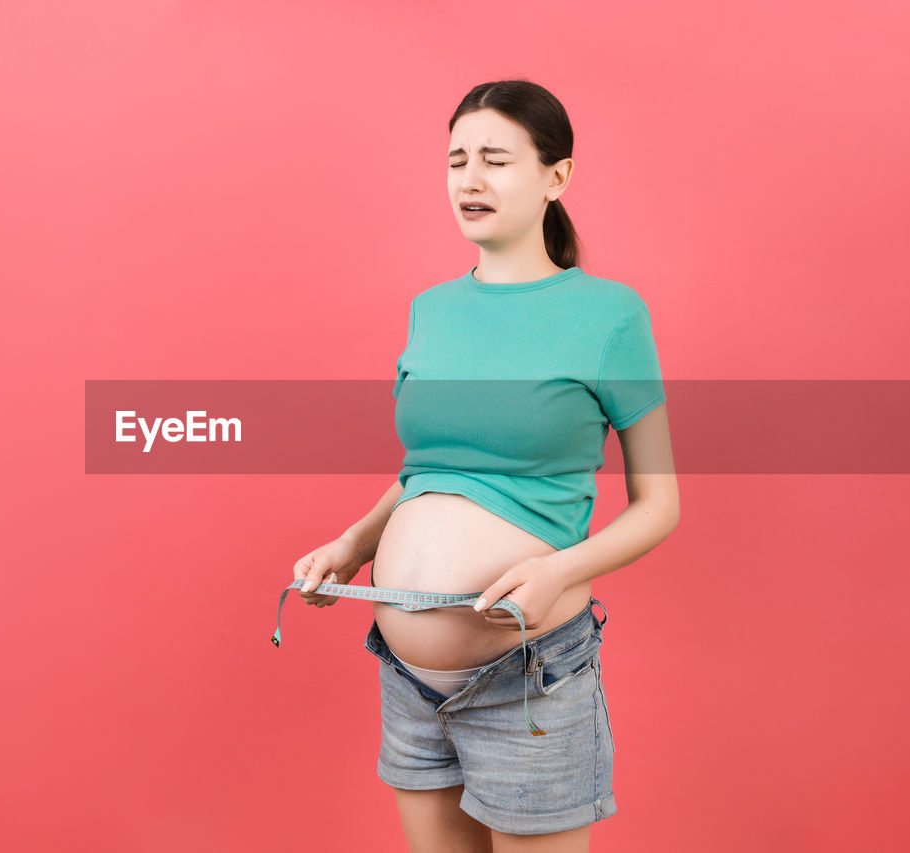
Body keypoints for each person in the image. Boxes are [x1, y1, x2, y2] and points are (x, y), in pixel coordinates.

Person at [290, 80, 680, 853]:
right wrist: (352, 542)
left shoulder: (610, 314)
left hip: (528, 674)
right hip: (408, 680)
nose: (469, 180)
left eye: (495, 160)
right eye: (456, 159)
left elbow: (658, 504)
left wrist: (561, 572)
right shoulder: (430, 308)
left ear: (556, 178)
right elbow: (428, 469)